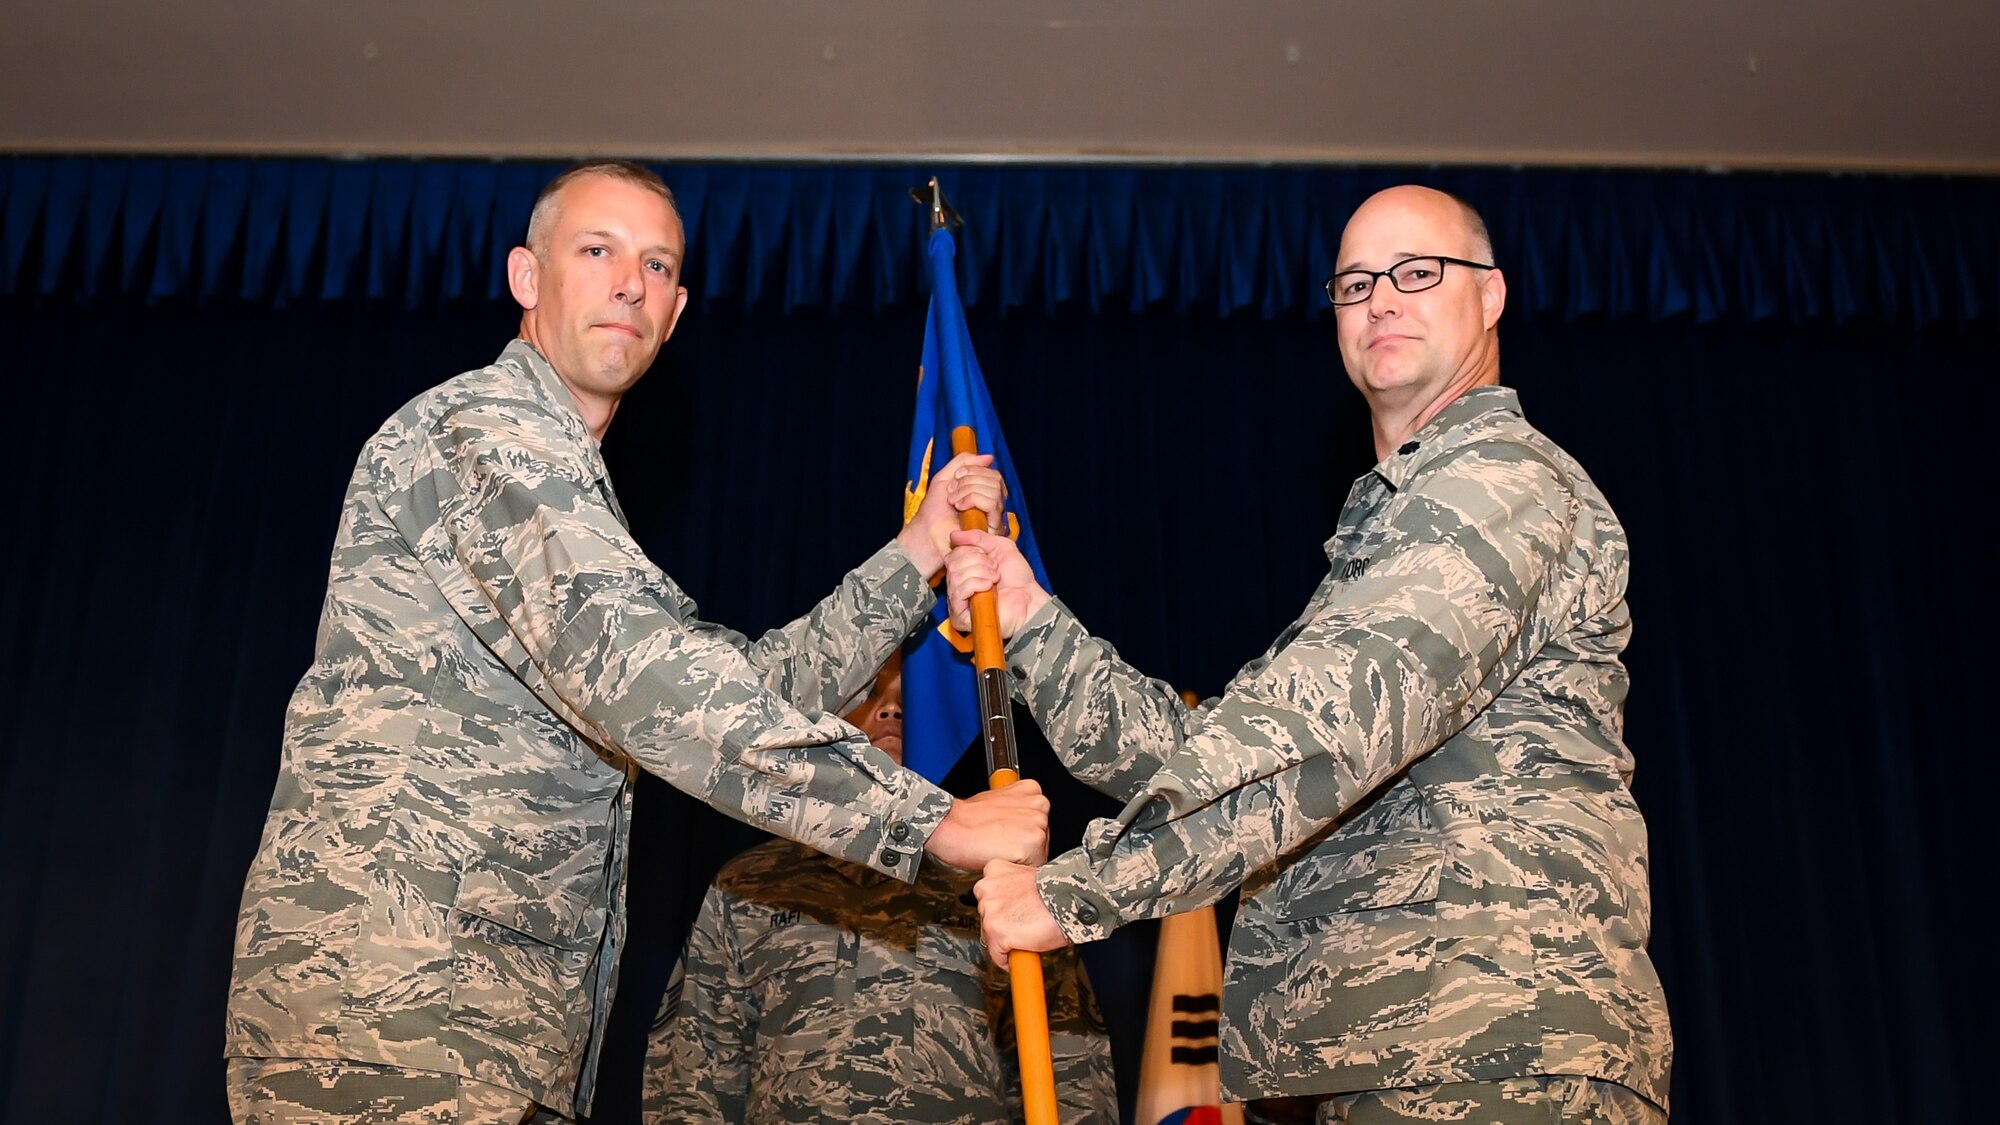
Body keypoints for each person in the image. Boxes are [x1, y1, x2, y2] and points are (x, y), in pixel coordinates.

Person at [224, 160, 1050, 1125]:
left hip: (479, 1029)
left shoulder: (579, 498)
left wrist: (918, 553)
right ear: (527, 279)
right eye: (597, 250)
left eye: (657, 265)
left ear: (678, 308)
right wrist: (931, 824)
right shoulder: (483, 433)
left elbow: (742, 684)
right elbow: (655, 682)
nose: (630, 281)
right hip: (393, 1013)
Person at [948, 185, 1672, 1124]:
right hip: (1390, 1059)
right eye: (1357, 281)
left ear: (1490, 296)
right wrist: (1031, 617)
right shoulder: (1389, 532)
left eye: (1418, 272)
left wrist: (1077, 892)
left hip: (1495, 1051)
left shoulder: (1504, 483)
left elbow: (1321, 728)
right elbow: (1210, 751)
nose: (1382, 299)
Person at [641, 653, 1120, 1124]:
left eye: (907, 696)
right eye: (869, 693)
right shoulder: (748, 883)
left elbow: (1072, 1076)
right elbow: (695, 1079)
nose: (891, 709)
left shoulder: (1005, 886)